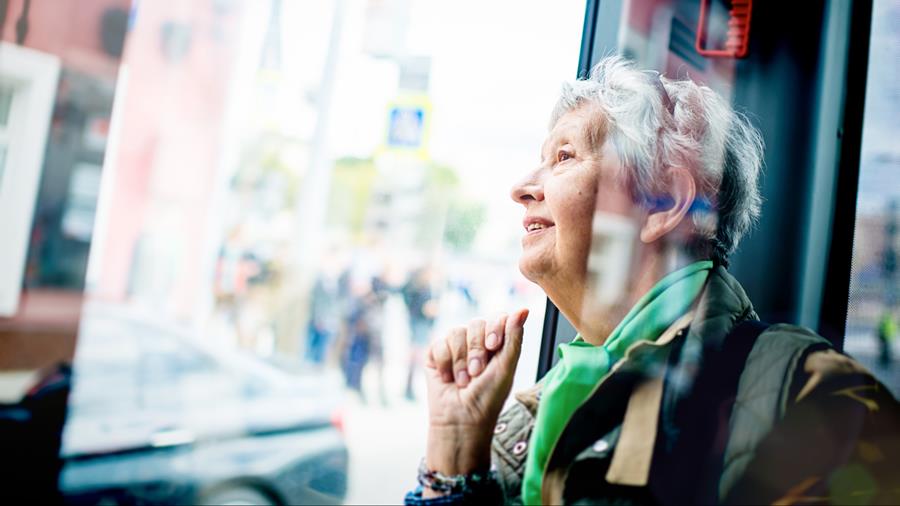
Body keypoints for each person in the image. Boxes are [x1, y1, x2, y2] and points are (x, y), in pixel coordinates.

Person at [406, 57, 900, 505]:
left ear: (665, 205)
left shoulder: (814, 402)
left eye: (563, 157)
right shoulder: (540, 406)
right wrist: (455, 455)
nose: (521, 188)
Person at [402, 265, 440, 400]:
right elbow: (416, 308)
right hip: (419, 326)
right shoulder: (417, 290)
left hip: (424, 327)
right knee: (416, 359)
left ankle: (410, 388)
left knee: (418, 359)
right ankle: (408, 388)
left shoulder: (430, 289)